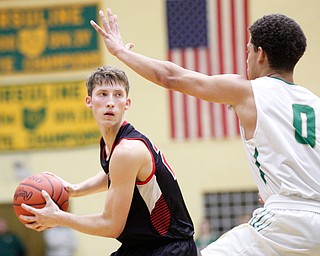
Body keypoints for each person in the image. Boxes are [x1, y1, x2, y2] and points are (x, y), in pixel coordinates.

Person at [90, 8, 320, 255]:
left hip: (285, 221)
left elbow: (171, 77)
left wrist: (120, 51)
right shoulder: (314, 103)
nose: (247, 59)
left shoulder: (249, 91)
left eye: (248, 51)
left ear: (260, 54)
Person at [20, 66, 197, 255]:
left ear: (127, 103)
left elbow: (111, 225)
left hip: (170, 247)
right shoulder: (112, 146)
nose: (111, 102)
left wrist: (59, 218)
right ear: (89, 101)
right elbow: (115, 174)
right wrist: (75, 190)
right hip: (142, 246)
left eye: (118, 95)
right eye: (103, 94)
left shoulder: (127, 151)